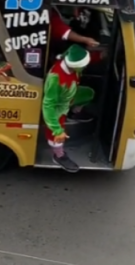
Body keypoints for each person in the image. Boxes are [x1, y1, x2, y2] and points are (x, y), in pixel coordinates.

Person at [42, 44, 95, 172]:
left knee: (89, 93)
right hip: (58, 106)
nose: (85, 67)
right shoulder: (56, 78)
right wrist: (57, 129)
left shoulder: (70, 60)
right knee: (57, 134)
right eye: (84, 65)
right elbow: (48, 105)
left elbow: (73, 49)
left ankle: (74, 112)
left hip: (69, 95)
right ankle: (58, 155)